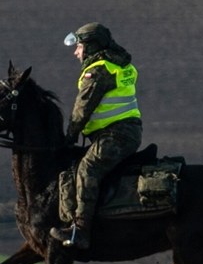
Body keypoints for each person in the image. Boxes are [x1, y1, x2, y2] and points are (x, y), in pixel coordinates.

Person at [49, 22, 143, 250]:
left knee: (87, 169)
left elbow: (82, 109)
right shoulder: (119, 64)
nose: (76, 52)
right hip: (123, 132)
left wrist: (69, 137)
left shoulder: (99, 70)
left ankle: (80, 231)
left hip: (116, 134)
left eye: (79, 46)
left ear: (90, 47)